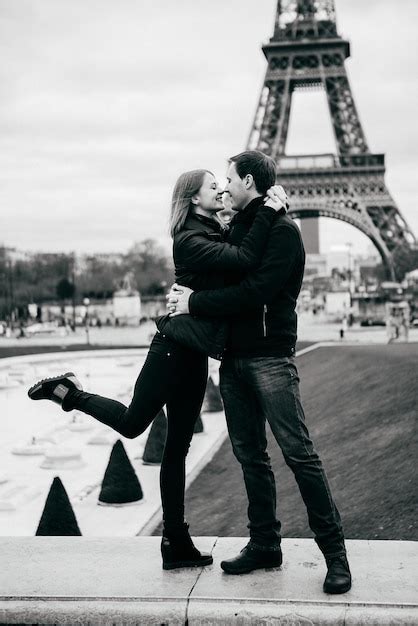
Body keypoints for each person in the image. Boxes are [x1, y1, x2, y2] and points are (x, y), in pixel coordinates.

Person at [27, 167, 286, 570]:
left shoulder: (214, 229)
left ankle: (175, 541)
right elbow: (245, 257)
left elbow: (241, 252)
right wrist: (270, 210)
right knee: (133, 424)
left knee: (177, 450)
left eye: (223, 184)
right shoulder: (188, 239)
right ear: (192, 198)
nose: (220, 190)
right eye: (212, 186)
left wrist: (261, 209)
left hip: (194, 351)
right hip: (171, 349)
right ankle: (68, 392)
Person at [167, 150, 352, 594]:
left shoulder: (283, 232)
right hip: (233, 360)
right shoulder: (243, 227)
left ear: (248, 181)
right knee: (251, 457)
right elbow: (225, 267)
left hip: (270, 357)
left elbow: (255, 292)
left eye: (229, 179)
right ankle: (266, 543)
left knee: (299, 455)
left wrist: (194, 303)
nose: (225, 186)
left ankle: (336, 554)